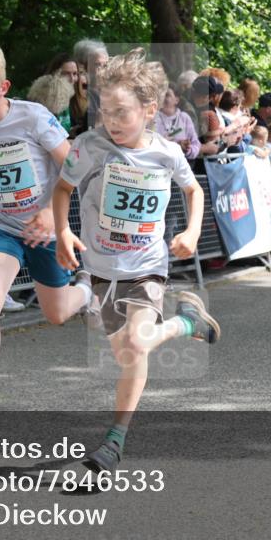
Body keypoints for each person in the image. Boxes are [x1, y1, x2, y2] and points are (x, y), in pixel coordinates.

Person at [53, 48, 220, 473]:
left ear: (149, 110)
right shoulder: (88, 146)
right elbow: (63, 190)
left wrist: (192, 231)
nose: (111, 120)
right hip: (101, 269)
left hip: (147, 265)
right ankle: (188, 322)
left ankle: (113, 442)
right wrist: (63, 233)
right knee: (125, 355)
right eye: (105, 110)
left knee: (136, 342)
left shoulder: (166, 152)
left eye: (121, 112)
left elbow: (194, 191)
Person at [0, 39, 92, 426]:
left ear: (4, 88)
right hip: (1, 224)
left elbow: (71, 166)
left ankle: (87, 288)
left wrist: (48, 212)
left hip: (44, 227)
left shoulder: (33, 117)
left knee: (56, 313)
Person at [155, 87, 199, 162]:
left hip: (179, 166)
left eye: (167, 95)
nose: (163, 97)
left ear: (176, 100)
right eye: (161, 95)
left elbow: (196, 144)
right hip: (158, 166)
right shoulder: (152, 118)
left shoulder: (184, 118)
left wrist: (187, 150)